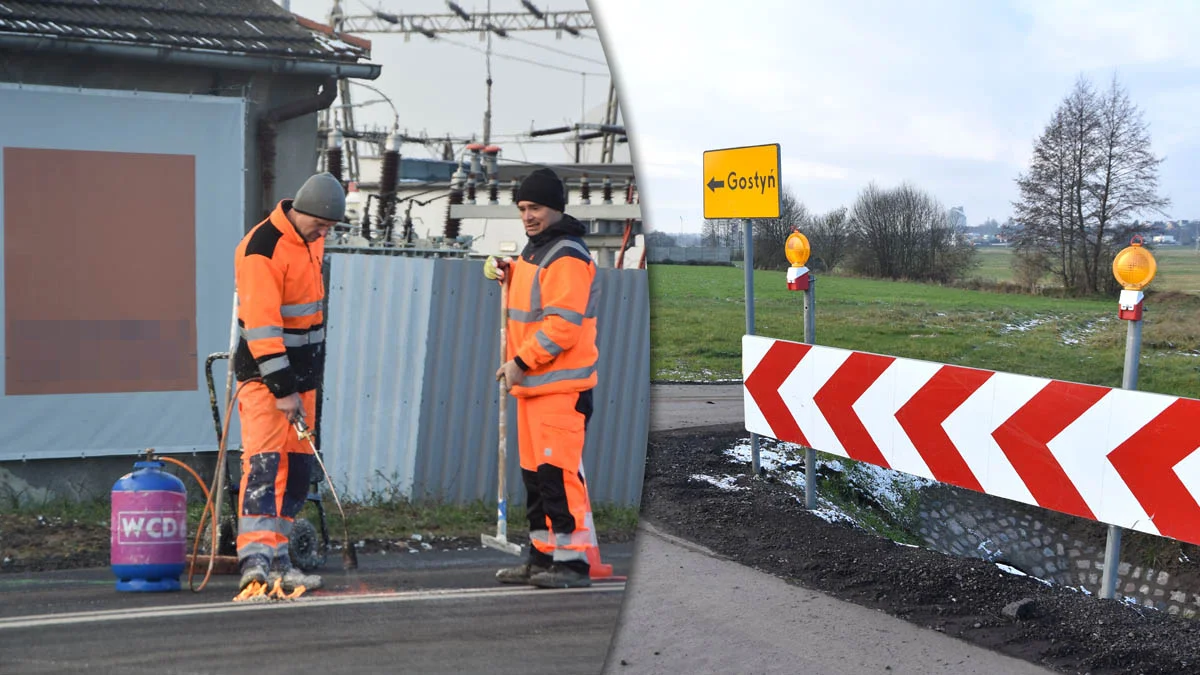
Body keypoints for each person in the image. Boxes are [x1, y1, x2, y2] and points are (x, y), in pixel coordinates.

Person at [483, 167, 601, 589]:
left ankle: (571, 566)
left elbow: (562, 326)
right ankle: (541, 557)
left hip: (558, 388)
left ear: (554, 208)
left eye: (534, 208)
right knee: (536, 478)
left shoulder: (565, 255)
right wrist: (507, 271)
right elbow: (533, 298)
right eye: (522, 208)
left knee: (558, 477)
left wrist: (521, 362)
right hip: (535, 389)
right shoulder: (536, 251)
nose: (527, 216)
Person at [232, 172, 342, 596]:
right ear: (303, 211)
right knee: (264, 467)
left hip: (303, 380)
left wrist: (301, 386)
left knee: (295, 469)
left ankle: (279, 557)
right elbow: (262, 329)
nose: (325, 234)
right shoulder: (263, 249)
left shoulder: (311, 238)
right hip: (268, 382)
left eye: (329, 228)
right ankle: (255, 561)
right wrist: (282, 389)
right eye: (322, 225)